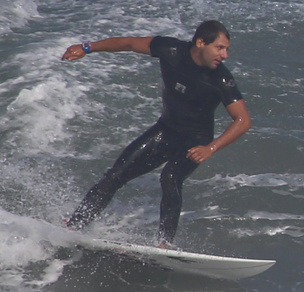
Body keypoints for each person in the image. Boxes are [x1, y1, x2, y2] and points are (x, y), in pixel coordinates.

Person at [63, 20, 252, 247]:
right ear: (201, 43)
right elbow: (130, 44)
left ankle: (164, 244)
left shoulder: (221, 79)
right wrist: (87, 47)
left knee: (171, 177)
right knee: (116, 174)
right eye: (220, 48)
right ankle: (74, 226)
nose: (225, 55)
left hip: (195, 141)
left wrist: (210, 148)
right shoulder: (170, 50)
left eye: (227, 49)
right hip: (166, 130)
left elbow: (243, 120)